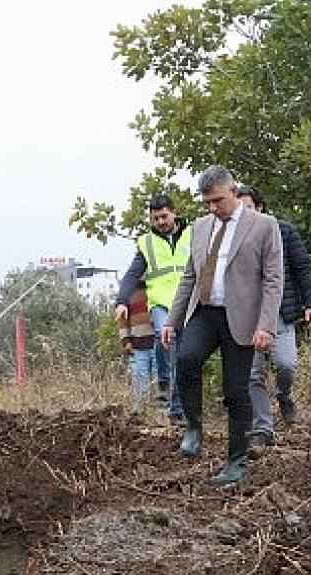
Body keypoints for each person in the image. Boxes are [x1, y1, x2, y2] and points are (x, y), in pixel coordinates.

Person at [163, 166, 283, 486]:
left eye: (218, 200)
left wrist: (266, 326)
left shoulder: (263, 226)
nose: (213, 208)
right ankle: (194, 427)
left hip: (242, 318)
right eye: (207, 203)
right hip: (206, 312)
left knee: (236, 390)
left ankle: (236, 463)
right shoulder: (201, 227)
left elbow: (273, 279)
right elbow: (189, 276)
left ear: (233, 191)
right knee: (186, 359)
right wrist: (173, 321)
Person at [248, 189, 311, 446]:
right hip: (249, 316)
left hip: (281, 313)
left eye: (249, 207)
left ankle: (284, 395)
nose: (245, 214)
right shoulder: (234, 239)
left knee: (286, 365)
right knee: (253, 374)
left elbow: (303, 268)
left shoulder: (284, 232)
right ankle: (263, 428)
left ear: (261, 207)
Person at [115, 194, 191, 425]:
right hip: (161, 304)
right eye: (155, 218)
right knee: (166, 339)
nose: (160, 222)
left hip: (189, 301)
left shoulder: (194, 233)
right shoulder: (146, 243)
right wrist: (121, 300)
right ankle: (167, 385)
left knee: (185, 356)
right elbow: (131, 274)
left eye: (164, 216)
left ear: (174, 213)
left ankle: (177, 406)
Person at [118, 280, 157, 408]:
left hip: (158, 344)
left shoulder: (156, 288)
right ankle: (141, 413)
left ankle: (160, 414)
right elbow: (122, 321)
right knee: (141, 384)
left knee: (159, 382)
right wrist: (126, 341)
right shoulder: (127, 293)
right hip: (138, 345)